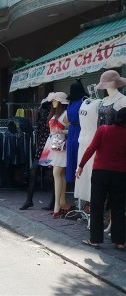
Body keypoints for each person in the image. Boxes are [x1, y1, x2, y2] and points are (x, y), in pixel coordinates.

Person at [76, 108, 126, 251]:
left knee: (97, 205)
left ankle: (95, 240)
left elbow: (91, 148)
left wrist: (80, 166)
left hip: (101, 172)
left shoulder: (103, 130)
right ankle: (120, 241)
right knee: (119, 207)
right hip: (121, 174)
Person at [37, 92, 68, 218]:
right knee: (59, 173)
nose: (53, 102)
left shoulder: (65, 114)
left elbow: (72, 129)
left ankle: (57, 205)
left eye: (55, 100)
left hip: (61, 145)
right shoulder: (54, 114)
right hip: (53, 144)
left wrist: (63, 130)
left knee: (57, 173)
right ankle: (61, 202)